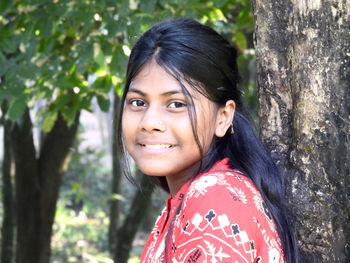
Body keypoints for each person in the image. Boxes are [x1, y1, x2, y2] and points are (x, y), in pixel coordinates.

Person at [117, 18, 298, 263]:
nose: (150, 122)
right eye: (138, 102)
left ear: (223, 117)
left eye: (176, 104)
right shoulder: (196, 196)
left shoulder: (215, 200)